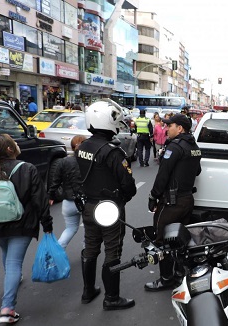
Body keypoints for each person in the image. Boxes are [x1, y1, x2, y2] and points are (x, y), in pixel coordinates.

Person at [0, 134, 53, 324]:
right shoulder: (27, 168)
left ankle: (11, 282)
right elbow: (40, 199)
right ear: (9, 149)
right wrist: (47, 224)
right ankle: (7, 310)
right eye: (14, 142)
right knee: (14, 263)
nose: (16, 144)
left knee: (7, 254)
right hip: (21, 224)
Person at [76, 99, 137, 310]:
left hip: (89, 205)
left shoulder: (83, 145)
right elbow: (128, 185)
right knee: (113, 252)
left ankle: (88, 291)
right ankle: (111, 298)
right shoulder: (113, 152)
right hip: (109, 209)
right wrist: (123, 199)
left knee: (91, 249)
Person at [145, 113, 201, 291]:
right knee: (180, 239)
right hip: (186, 200)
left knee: (162, 240)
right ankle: (179, 274)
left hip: (171, 202)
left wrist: (153, 196)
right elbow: (197, 170)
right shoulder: (194, 146)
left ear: (180, 128)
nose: (166, 128)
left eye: (170, 126)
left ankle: (166, 279)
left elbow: (163, 175)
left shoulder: (174, 147)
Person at [47, 135, 87, 248]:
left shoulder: (63, 162)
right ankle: (87, 255)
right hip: (85, 201)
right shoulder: (88, 161)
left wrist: (51, 196)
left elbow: (55, 181)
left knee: (70, 229)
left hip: (68, 202)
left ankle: (57, 253)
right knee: (89, 230)